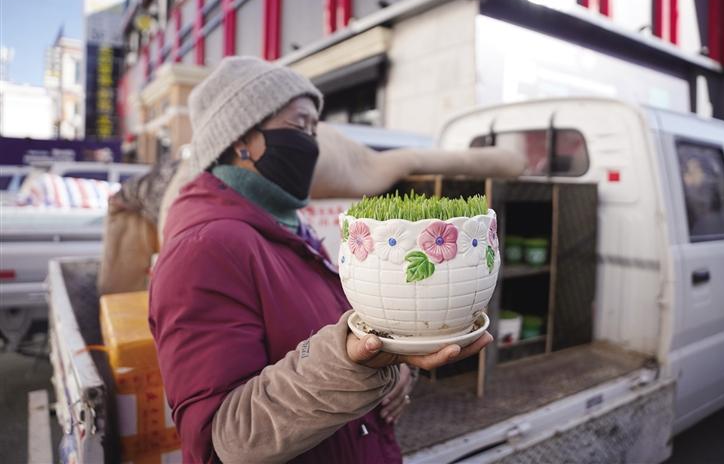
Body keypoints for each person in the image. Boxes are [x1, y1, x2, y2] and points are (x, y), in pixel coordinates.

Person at [148, 57, 492, 464]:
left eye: (315, 128)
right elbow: (219, 440)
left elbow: (340, 329)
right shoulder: (203, 251)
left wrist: (395, 365)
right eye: (300, 125)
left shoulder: (287, 227)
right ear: (241, 139)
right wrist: (355, 363)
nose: (312, 143)